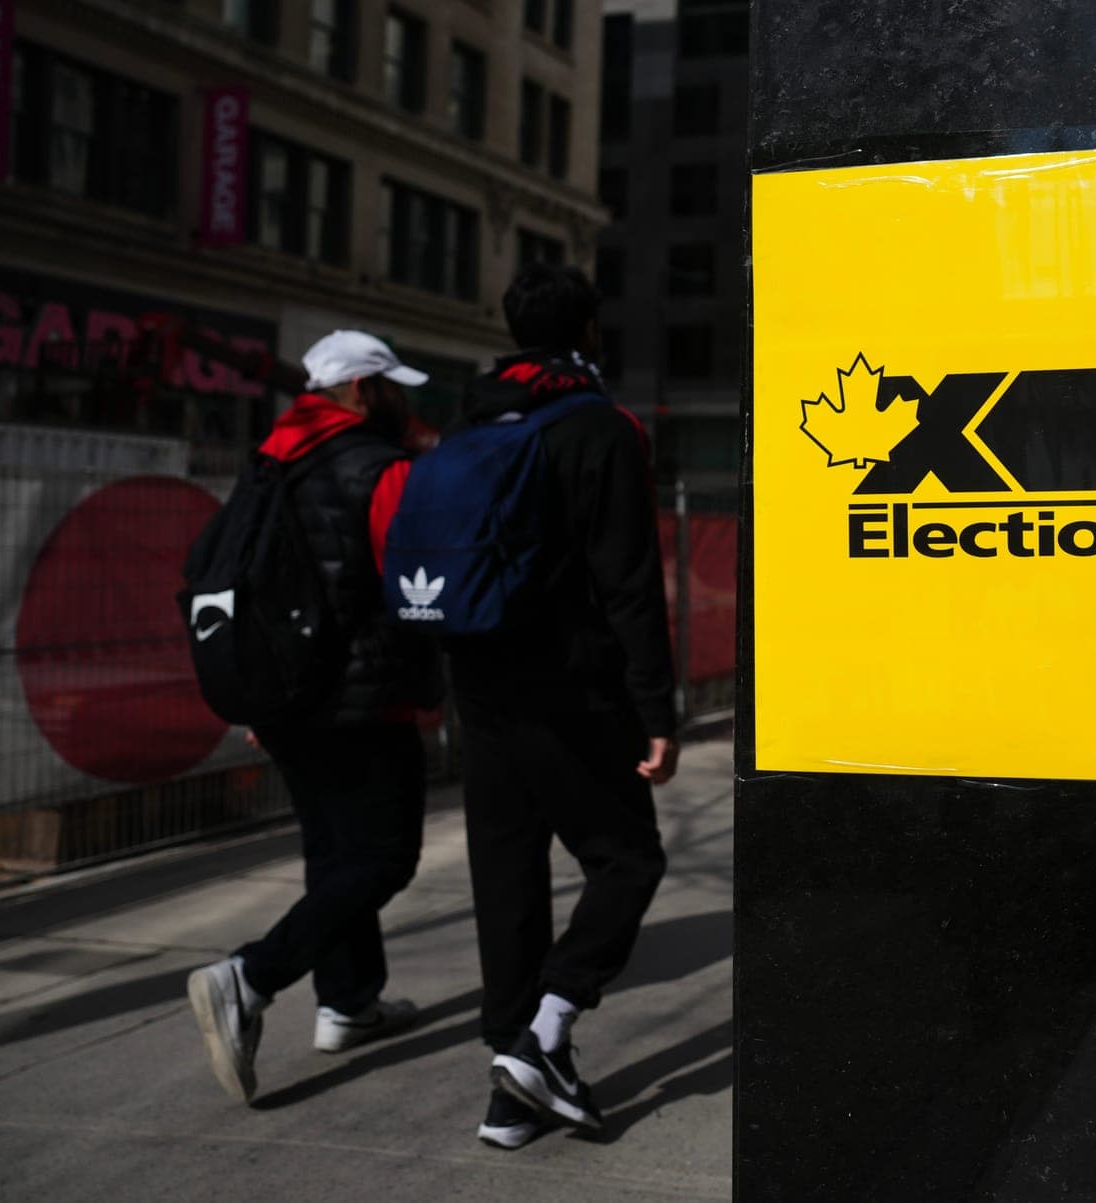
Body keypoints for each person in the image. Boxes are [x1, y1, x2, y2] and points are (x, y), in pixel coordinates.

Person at [442, 263, 678, 1150]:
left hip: (481, 689)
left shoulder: (469, 419)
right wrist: (656, 706)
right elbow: (628, 584)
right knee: (629, 858)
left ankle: (509, 1097)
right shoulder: (598, 426)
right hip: (572, 688)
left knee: (507, 886)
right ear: (589, 330)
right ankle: (545, 1033)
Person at [186, 331, 443, 1103]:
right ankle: (249, 975)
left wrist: (257, 692)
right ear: (363, 391)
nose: (405, 399)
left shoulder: (268, 462)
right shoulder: (382, 467)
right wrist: (429, 689)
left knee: (334, 853)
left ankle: (349, 1003)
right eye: (394, 385)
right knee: (386, 856)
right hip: (365, 702)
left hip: (286, 699)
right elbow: (415, 590)